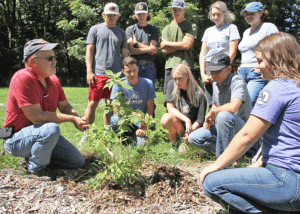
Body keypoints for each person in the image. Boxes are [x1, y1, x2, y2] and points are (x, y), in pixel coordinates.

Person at [201, 32, 300, 214]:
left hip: (286, 182)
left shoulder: (277, 87)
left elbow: (248, 135)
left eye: (261, 61)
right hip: (295, 181)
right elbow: (285, 139)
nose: (256, 67)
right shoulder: (295, 87)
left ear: (277, 60)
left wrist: (216, 166)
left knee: (211, 182)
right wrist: (258, 164)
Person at [3, 39, 88, 175]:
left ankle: (38, 157)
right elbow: (37, 117)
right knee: (51, 128)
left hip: (42, 135)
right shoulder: (22, 78)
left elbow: (64, 106)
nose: (54, 61)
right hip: (16, 139)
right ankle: (34, 170)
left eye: (54, 57)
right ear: (33, 62)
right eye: (49, 58)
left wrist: (79, 118)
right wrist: (72, 119)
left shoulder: (53, 80)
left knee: (76, 161)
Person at [188, 53, 252, 157]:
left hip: (241, 127)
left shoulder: (237, 81)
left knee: (223, 115)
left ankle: (224, 159)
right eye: (211, 71)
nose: (213, 74)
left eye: (218, 71)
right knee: (193, 138)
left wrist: (213, 112)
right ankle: (236, 153)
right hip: (222, 125)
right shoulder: (215, 82)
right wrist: (209, 118)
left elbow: (233, 107)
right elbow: (215, 105)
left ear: (229, 69)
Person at [84, 2, 128, 126]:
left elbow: (125, 55)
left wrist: (125, 73)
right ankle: (86, 133)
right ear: (104, 15)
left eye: (114, 15)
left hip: (115, 75)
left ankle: (107, 132)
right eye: (109, 15)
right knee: (92, 104)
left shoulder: (121, 33)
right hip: (98, 74)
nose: (111, 17)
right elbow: (89, 51)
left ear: (118, 16)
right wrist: (89, 71)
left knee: (110, 105)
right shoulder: (95, 29)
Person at [200, 1, 240, 111]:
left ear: (225, 14)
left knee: (222, 101)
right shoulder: (208, 31)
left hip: (222, 68)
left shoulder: (231, 28)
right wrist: (203, 73)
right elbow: (203, 53)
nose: (216, 17)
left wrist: (220, 70)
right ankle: (211, 126)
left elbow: (232, 52)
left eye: (218, 14)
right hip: (208, 68)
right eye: (213, 15)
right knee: (211, 102)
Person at [238, 2, 278, 107]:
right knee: (239, 105)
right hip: (242, 72)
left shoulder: (268, 27)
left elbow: (276, 48)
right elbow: (245, 51)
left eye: (251, 13)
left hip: (257, 73)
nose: (248, 16)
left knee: (249, 105)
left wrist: (261, 65)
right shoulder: (246, 32)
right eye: (246, 14)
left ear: (260, 13)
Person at [109, 57, 156, 145]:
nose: (132, 74)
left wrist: (144, 125)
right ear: (123, 71)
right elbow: (116, 108)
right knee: (115, 119)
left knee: (142, 145)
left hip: (143, 121)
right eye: (128, 71)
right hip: (126, 120)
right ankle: (125, 134)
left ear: (138, 68)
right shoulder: (118, 84)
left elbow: (150, 108)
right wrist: (134, 114)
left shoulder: (148, 83)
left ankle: (138, 134)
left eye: (134, 70)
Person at [160, 64, 207, 151]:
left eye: (180, 78)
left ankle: (185, 141)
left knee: (183, 152)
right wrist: (186, 120)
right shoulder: (171, 85)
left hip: (193, 129)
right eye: (175, 79)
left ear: (188, 76)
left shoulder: (199, 94)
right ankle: (175, 143)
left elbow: (200, 120)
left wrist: (188, 134)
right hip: (179, 124)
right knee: (165, 118)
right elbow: (170, 108)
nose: (177, 82)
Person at [160, 0, 197, 94]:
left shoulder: (191, 26)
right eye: (174, 9)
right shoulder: (166, 29)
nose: (176, 12)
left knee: (188, 97)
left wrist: (167, 43)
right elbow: (164, 50)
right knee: (170, 97)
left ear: (184, 10)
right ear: (172, 10)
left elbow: (187, 45)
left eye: (179, 10)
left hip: (186, 66)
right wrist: (182, 44)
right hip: (170, 67)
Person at [126, 2, 159, 86]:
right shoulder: (130, 29)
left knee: (149, 93)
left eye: (143, 14)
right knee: (134, 92)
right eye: (139, 14)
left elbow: (154, 50)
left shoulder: (153, 29)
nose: (141, 16)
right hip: (134, 66)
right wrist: (149, 49)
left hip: (149, 65)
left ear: (147, 14)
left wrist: (137, 44)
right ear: (135, 15)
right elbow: (131, 51)